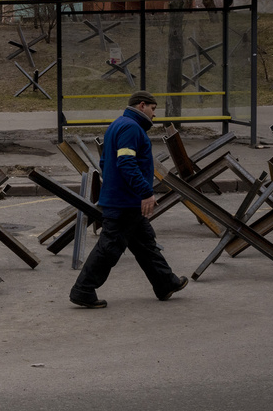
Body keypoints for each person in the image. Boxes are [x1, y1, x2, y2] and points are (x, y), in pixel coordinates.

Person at [69, 90, 188, 309]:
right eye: (153, 109)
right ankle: (83, 290)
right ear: (142, 105)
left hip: (123, 198)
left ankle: (165, 283)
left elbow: (105, 162)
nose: (154, 115)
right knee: (110, 246)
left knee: (145, 243)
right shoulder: (132, 128)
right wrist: (145, 191)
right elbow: (125, 162)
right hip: (125, 200)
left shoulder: (118, 124)